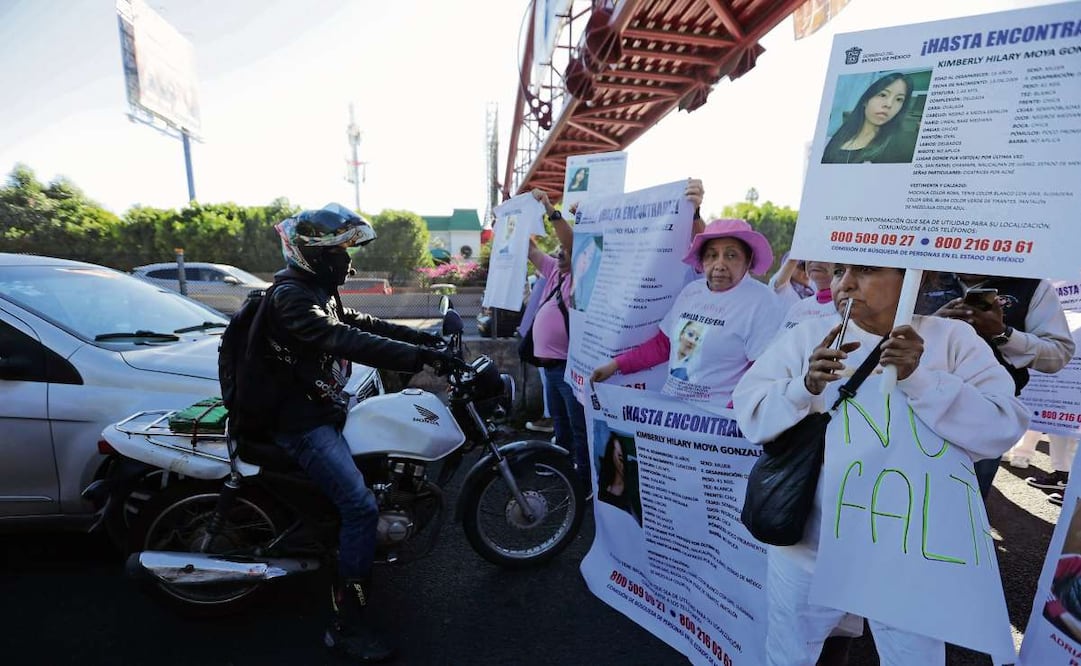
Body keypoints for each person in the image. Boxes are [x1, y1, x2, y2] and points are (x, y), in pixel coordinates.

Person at [733, 263, 1028, 665]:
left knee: (912, 656)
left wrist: (919, 379)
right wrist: (803, 387)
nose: (845, 283)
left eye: (867, 270)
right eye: (839, 271)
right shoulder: (806, 337)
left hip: (908, 553)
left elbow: (1002, 424)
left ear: (914, 278)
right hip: (809, 547)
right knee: (788, 653)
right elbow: (751, 416)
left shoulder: (951, 340)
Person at [264, 204, 455, 663]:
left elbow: (361, 325)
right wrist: (417, 360)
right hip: (298, 422)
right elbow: (342, 339)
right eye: (342, 253)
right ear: (316, 255)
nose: (349, 263)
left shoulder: (314, 290)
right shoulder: (292, 297)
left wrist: (425, 340)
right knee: (359, 506)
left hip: (317, 409)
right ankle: (346, 626)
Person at [590, 218, 784, 408]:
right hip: (672, 412)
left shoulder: (762, 301)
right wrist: (615, 366)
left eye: (731, 255)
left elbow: (761, 373)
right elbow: (663, 345)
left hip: (717, 421)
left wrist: (731, 416)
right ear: (701, 261)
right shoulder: (692, 291)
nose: (719, 264)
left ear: (748, 260)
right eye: (711, 255)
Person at [916, 272, 1073, 497]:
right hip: (915, 402)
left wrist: (1002, 334)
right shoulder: (923, 274)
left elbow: (1058, 355)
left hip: (985, 414)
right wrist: (930, 325)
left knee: (964, 500)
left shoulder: (1031, 286)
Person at [528, 189, 589, 484]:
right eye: (560, 250)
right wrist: (514, 221)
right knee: (561, 424)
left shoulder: (581, 273)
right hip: (550, 367)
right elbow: (529, 250)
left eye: (567, 250)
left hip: (569, 366)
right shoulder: (553, 270)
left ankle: (584, 478)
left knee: (578, 427)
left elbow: (572, 241)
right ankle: (563, 469)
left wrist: (549, 207)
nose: (562, 252)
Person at [821, 72, 915, 165]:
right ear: (866, 100)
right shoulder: (843, 132)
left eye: (899, 99)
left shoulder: (899, 148)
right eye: (883, 95)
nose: (889, 104)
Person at [779, 260, 836, 332]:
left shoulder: (849, 308)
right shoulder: (797, 307)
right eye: (809, 254)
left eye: (824, 254)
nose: (814, 261)